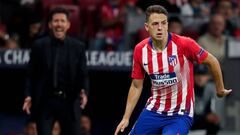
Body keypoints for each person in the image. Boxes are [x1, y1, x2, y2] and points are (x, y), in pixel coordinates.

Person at [114, 5, 231, 135]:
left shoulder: (184, 44)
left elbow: (213, 61)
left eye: (163, 23)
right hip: (154, 110)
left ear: (167, 25)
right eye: (155, 24)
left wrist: (220, 89)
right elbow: (136, 86)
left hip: (180, 114)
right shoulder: (140, 50)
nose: (160, 28)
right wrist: (126, 117)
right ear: (147, 27)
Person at [22, 6, 88, 135]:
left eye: (62, 21)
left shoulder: (78, 47)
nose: (59, 24)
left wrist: (84, 92)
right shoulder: (38, 46)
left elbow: (84, 74)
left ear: (68, 25)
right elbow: (30, 74)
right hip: (45, 102)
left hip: (70, 103)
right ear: (50, 24)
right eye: (56, 21)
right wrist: (28, 95)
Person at [191, 64, 220, 135]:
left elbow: (211, 109)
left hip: (202, 119)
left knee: (214, 124)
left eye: (203, 75)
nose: (200, 78)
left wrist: (213, 116)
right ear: (193, 76)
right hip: (188, 119)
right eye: (197, 75)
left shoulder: (211, 89)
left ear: (208, 77)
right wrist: (205, 117)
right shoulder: (188, 89)